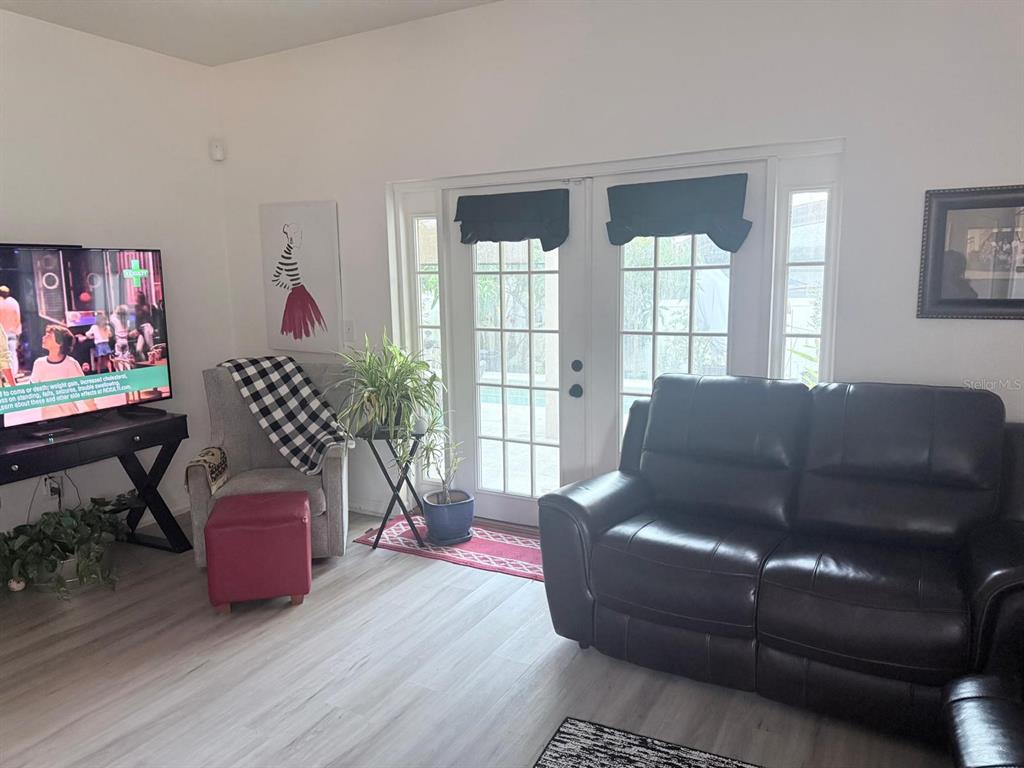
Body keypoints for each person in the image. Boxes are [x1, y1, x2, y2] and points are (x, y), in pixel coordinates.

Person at [30, 325, 96, 419]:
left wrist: (95, 412)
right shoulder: (39, 363)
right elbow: (32, 391)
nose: (43, 337)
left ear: (59, 343)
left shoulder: (70, 363)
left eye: (49, 336)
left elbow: (85, 391)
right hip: (48, 420)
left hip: (70, 418)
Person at [0, 285, 22, 377]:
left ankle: (3, 375)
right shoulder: (14, 302)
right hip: (12, 332)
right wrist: (18, 332)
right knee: (12, 354)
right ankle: (12, 374)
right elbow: (18, 318)